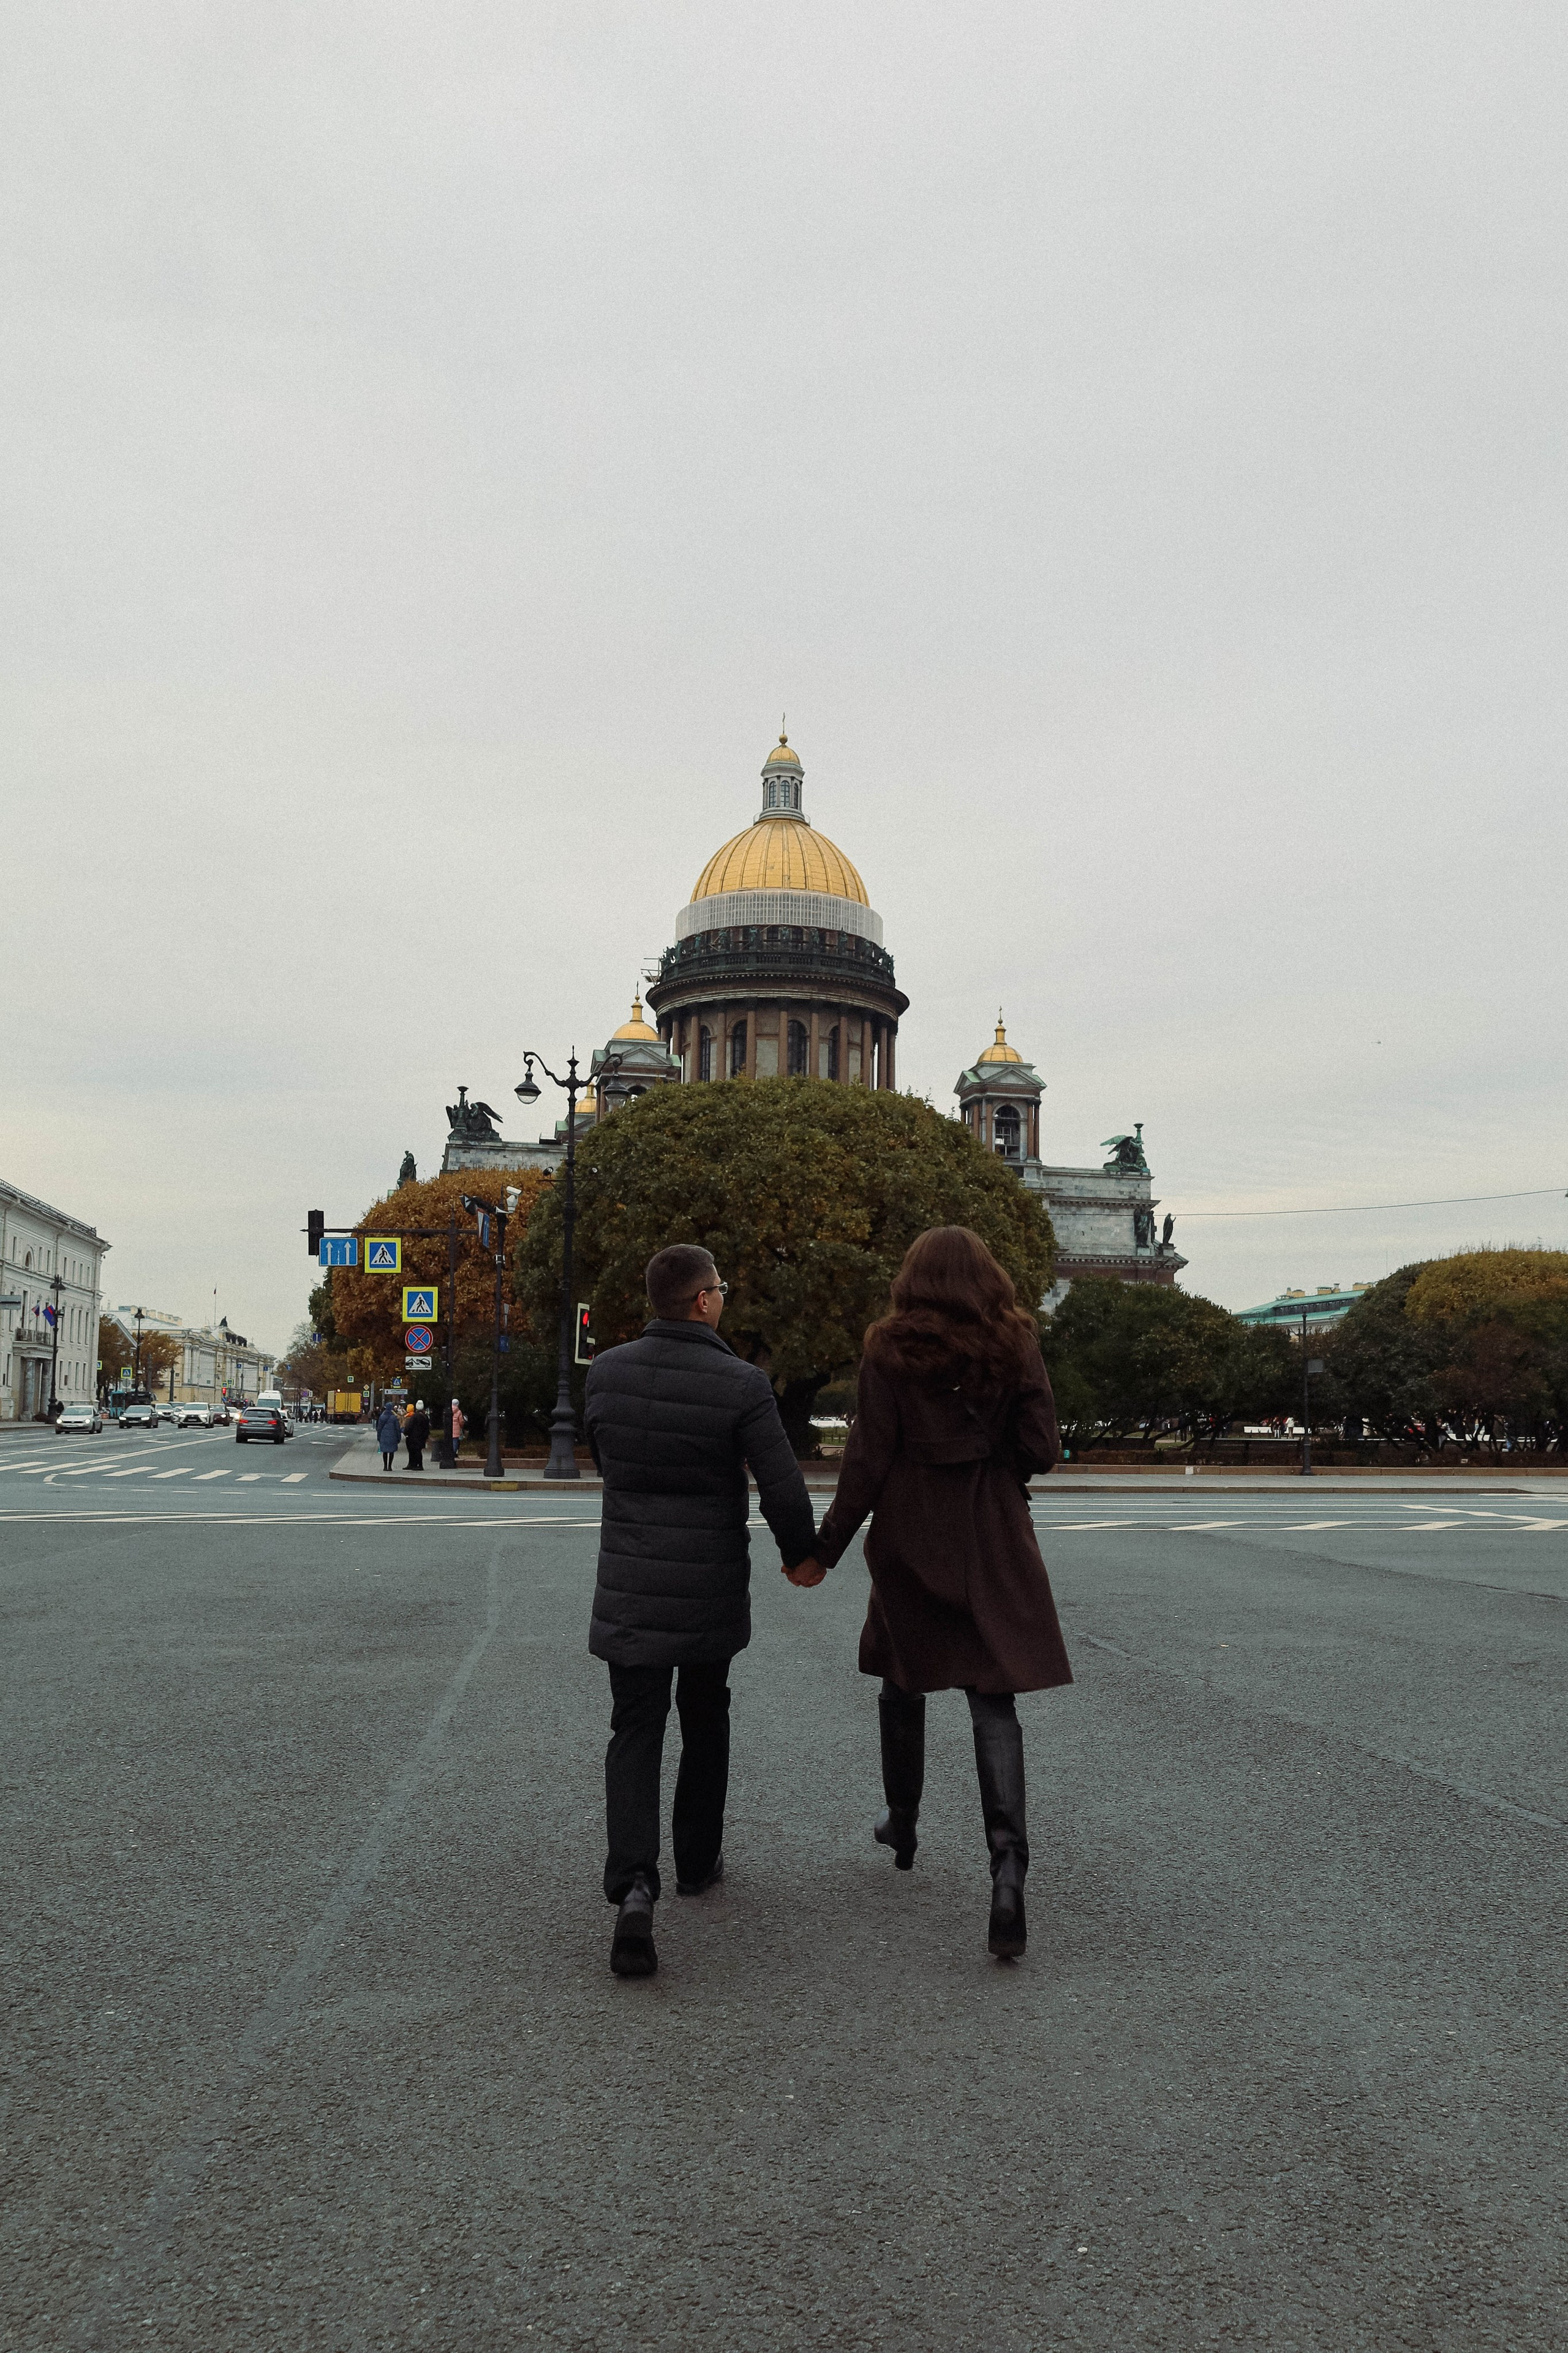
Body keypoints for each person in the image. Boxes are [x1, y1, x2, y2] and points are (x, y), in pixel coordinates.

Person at [793, 1226, 1070, 1961]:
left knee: (900, 1674)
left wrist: (824, 1551)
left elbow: (868, 1459)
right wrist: (993, 1465)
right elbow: (1041, 1445)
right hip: (991, 1527)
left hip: (912, 1527)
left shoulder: (888, 1347)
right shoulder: (1015, 1340)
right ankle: (1007, 1868)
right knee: (993, 1697)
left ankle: (903, 1819)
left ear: (912, 1279)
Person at [584, 1242, 818, 1978]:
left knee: (634, 1723)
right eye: (720, 1287)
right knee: (706, 1712)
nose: (723, 1296)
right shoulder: (740, 1382)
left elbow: (604, 1458)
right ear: (701, 1301)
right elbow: (780, 1484)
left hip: (629, 1579)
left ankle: (633, 1887)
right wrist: (800, 1554)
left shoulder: (607, 1372)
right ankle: (694, 1860)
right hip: (709, 1580)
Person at [404, 1397, 430, 1471]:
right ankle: (415, 1464)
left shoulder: (415, 1417)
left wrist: (406, 1433)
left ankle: (416, 1465)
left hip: (414, 1437)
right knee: (418, 1451)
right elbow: (427, 1427)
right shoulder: (425, 1417)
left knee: (414, 1451)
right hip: (422, 1437)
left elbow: (409, 1426)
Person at [375, 1398, 402, 1471]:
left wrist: (379, 1437)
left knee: (385, 1452)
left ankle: (385, 1466)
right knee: (392, 1452)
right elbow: (397, 1429)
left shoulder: (382, 1417)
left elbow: (379, 1428)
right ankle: (390, 1466)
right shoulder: (394, 1418)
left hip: (384, 1436)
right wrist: (399, 1438)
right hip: (393, 1437)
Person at [448, 1396, 465, 1465]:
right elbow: (461, 1421)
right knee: (455, 1441)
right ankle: (454, 1453)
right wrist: (461, 1426)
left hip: (450, 1428)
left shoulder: (449, 1410)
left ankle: (449, 1452)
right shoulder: (459, 1411)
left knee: (450, 1441)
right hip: (456, 1428)